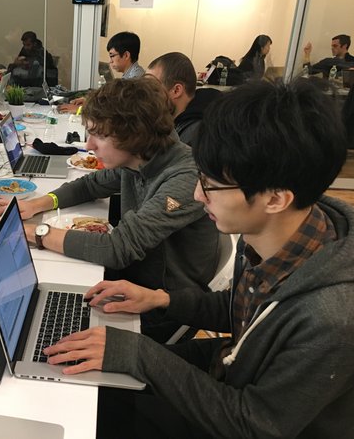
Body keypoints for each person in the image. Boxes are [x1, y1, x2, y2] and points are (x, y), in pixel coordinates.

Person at [43, 78, 354, 438]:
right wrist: (160, 299)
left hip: (241, 419)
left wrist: (140, 354)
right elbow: (242, 308)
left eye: (210, 185)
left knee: (91, 408)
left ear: (275, 199)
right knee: (87, 379)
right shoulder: (280, 234)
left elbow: (255, 424)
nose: (197, 195)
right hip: (228, 370)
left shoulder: (332, 317)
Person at [0, 78, 220, 342]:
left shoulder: (184, 177)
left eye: (100, 135)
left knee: (42, 328)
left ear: (134, 136)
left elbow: (117, 248)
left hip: (159, 306)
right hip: (130, 282)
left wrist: (30, 232)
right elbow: (90, 185)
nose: (89, 146)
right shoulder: (140, 156)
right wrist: (34, 205)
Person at [59, 31, 144, 114]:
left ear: (126, 55)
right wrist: (89, 101)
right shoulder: (131, 74)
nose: (110, 61)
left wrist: (82, 109)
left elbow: (116, 108)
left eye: (112, 56)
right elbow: (112, 99)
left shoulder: (135, 80)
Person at [147, 52, 222, 146]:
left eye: (152, 88)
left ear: (176, 90)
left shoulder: (195, 136)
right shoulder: (172, 123)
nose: (146, 96)